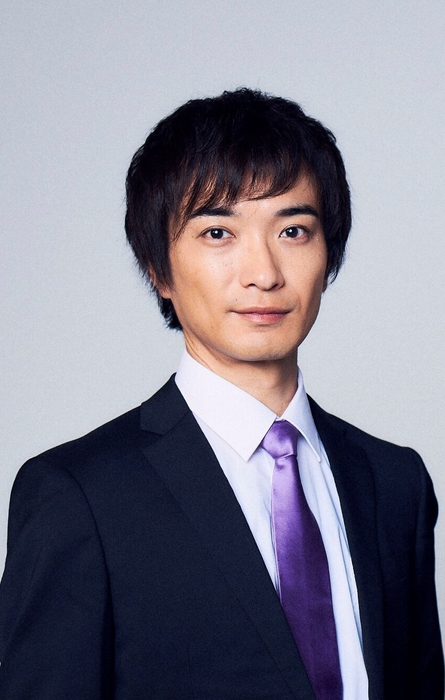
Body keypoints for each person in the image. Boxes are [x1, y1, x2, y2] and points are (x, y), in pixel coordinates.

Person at [0, 88, 443, 700]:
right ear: (158, 268)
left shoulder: (395, 484)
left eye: (293, 230)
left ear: (328, 253)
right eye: (217, 232)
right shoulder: (79, 497)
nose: (263, 273)